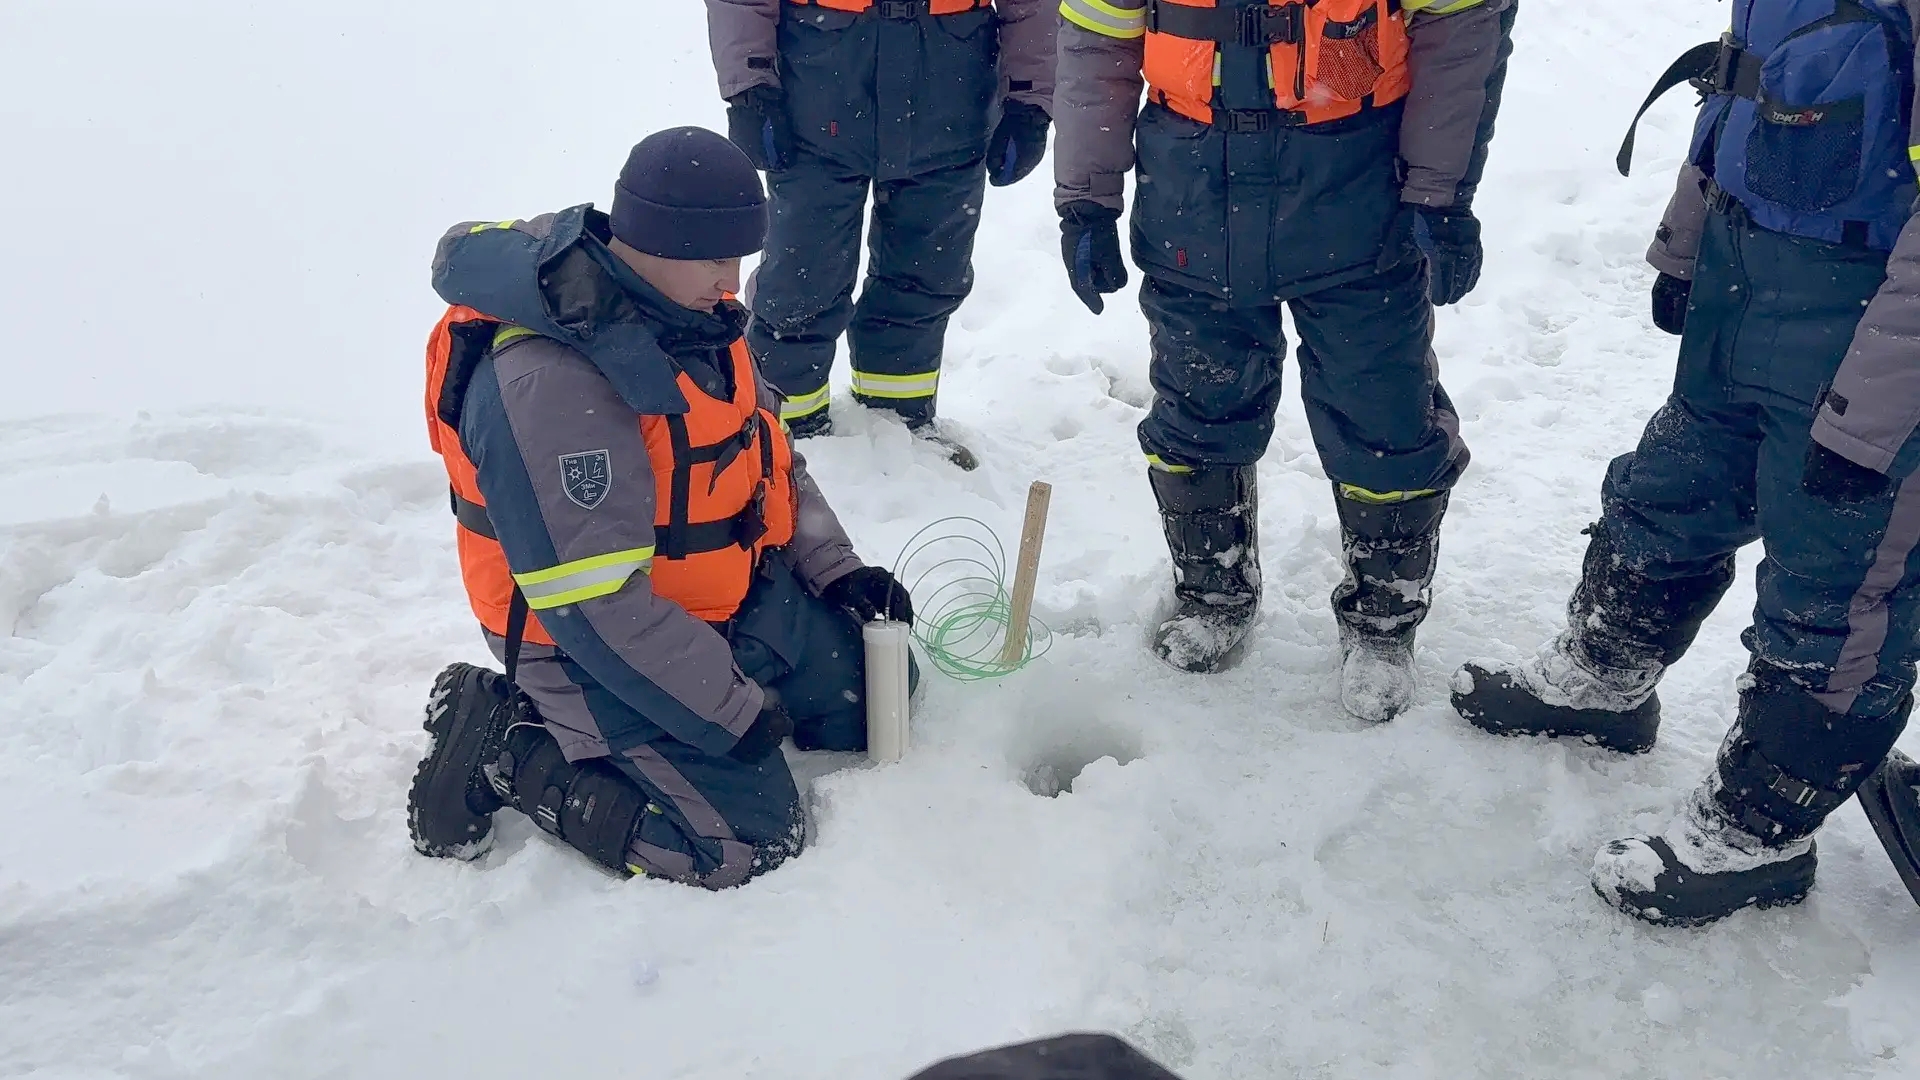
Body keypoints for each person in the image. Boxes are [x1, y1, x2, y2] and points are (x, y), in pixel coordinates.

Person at [1452, 0, 1920, 925]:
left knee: (1836, 589)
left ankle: (1759, 830)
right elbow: (1739, 91)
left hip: (1869, 318)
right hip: (1743, 278)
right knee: (1670, 492)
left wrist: (1883, 411)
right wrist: (1688, 235)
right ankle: (1605, 677)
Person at [407, 127, 914, 889]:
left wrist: (836, 570)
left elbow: (768, 459)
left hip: (718, 596)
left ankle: (713, 704)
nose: (731, 280)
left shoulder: (698, 318)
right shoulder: (553, 383)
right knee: (744, 848)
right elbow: (593, 603)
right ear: (650, 241)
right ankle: (508, 743)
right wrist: (726, 710)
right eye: (711, 258)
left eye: (739, 257)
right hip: (582, 644)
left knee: (878, 698)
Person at [1050, 0, 1516, 718]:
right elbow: (1095, 40)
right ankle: (1213, 590)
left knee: (1384, 416)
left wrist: (1442, 191)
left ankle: (1382, 622)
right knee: (1198, 405)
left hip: (1357, 187)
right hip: (1192, 193)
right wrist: (1087, 199)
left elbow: (1462, 31)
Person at [705, 0, 1060, 469]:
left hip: (951, 96)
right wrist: (750, 84)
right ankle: (786, 432)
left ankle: (897, 426)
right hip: (818, 89)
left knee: (925, 276)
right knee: (800, 280)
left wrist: (1029, 97)